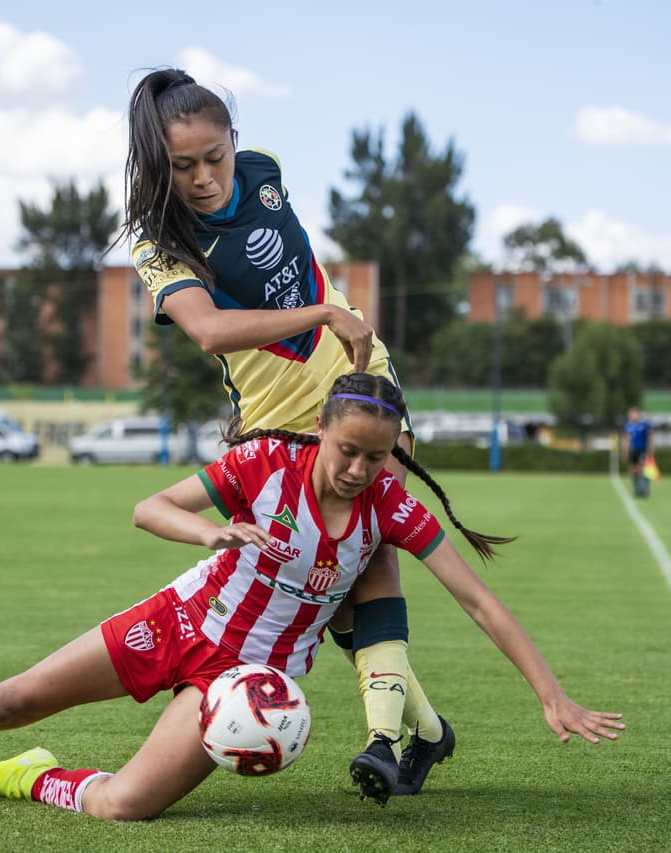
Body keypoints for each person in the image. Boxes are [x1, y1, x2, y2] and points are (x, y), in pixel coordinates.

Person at [0, 373, 625, 818]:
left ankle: (26, 780)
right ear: (321, 428)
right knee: (17, 693)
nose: (359, 468)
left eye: (377, 455)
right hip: (178, 619)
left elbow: (478, 600)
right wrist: (210, 531)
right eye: (348, 449)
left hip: (242, 686)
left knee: (126, 805)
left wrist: (552, 695)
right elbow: (149, 507)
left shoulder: (388, 508)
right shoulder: (262, 466)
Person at [121, 67, 470, 801]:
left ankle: (385, 741)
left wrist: (335, 323)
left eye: (215, 156)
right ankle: (428, 730)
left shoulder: (265, 172)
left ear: (234, 143)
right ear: (159, 165)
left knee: (367, 559)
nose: (206, 178)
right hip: (274, 427)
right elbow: (212, 330)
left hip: (357, 388)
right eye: (182, 167)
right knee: (324, 596)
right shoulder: (159, 243)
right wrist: (321, 314)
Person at [622, 407, 653, 497]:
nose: (632, 416)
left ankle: (643, 490)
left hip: (642, 450)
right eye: (630, 414)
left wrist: (650, 449)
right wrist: (625, 451)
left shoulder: (644, 425)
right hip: (633, 451)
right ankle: (636, 489)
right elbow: (627, 439)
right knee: (632, 471)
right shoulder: (628, 425)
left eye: (634, 413)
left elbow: (650, 437)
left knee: (641, 469)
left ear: (638, 414)